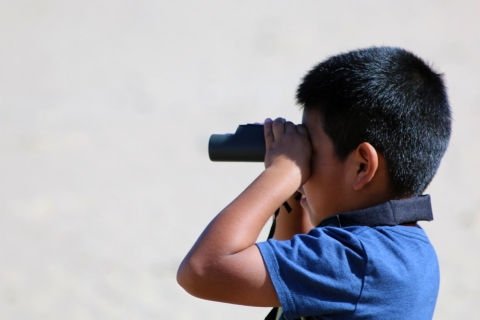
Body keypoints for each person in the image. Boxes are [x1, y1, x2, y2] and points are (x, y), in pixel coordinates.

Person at [176, 46, 451, 319]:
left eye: (312, 153)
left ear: (362, 167)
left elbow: (202, 270)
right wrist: (294, 189)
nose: (304, 166)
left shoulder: (358, 260)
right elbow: (289, 264)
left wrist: (281, 174)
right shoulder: (404, 249)